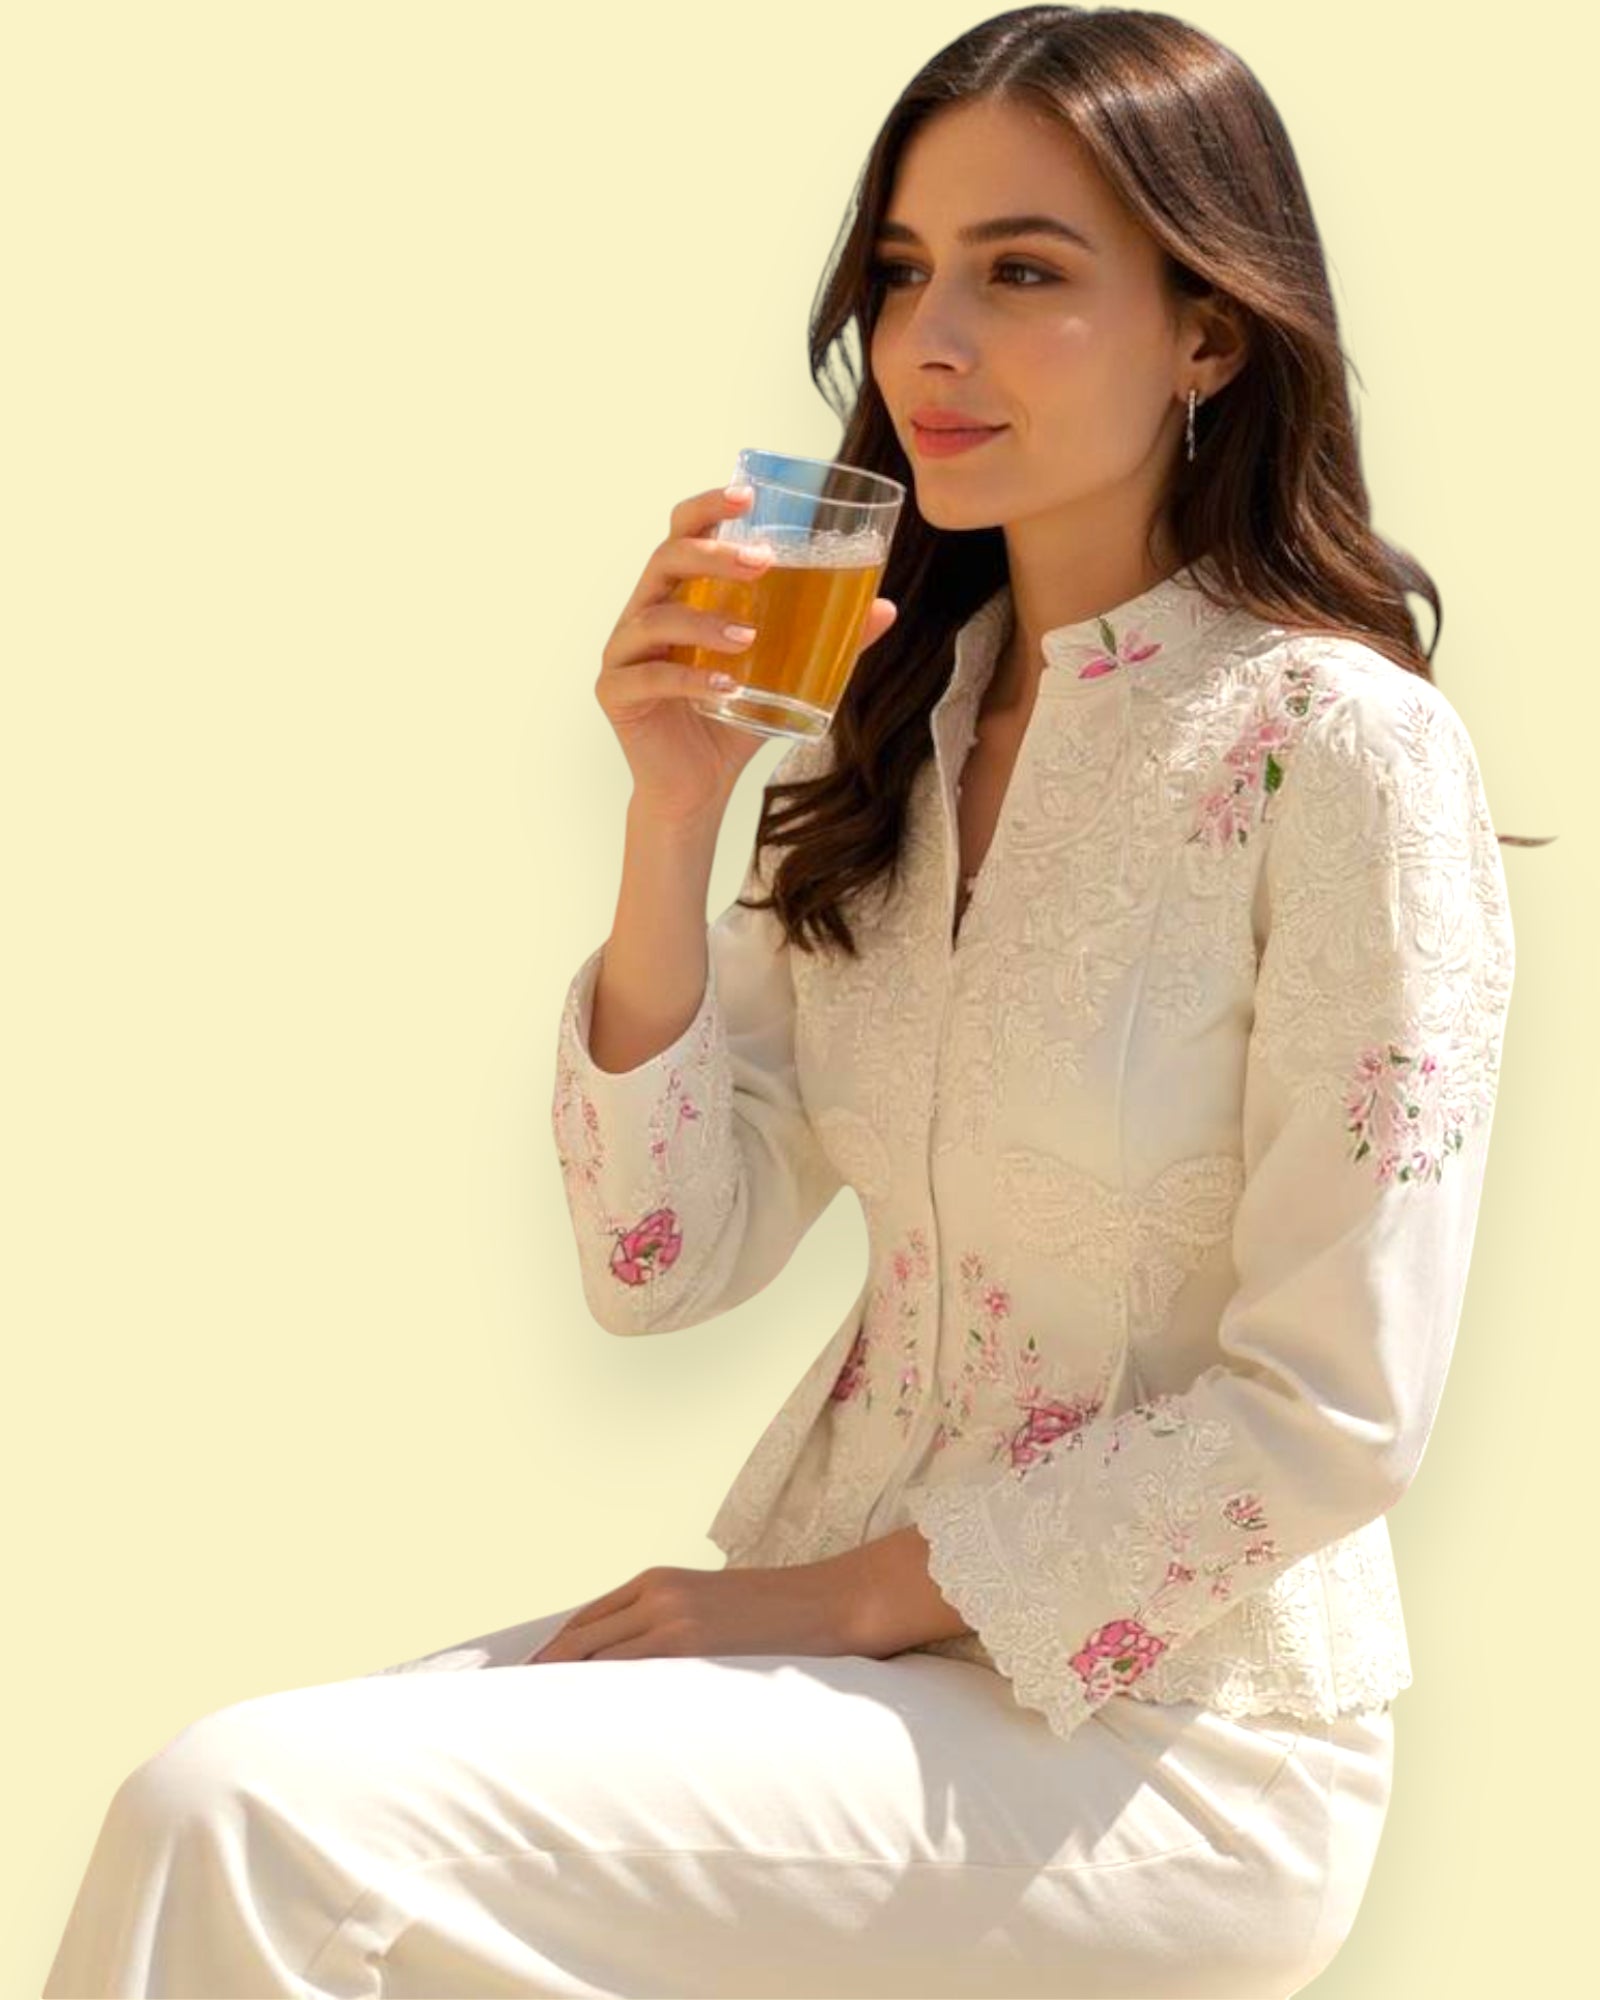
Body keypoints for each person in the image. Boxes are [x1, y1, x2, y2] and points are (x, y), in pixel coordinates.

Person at [43, 7, 1521, 1996]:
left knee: (256, 1817)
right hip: (847, 1669)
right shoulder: (894, 734)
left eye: (1021, 272)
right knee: (244, 1807)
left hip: (1169, 1746)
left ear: (1205, 330)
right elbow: (663, 1256)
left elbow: (1333, 1412)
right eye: (902, 275)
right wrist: (670, 816)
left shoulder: (1333, 752)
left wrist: (825, 1601)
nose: (932, 341)